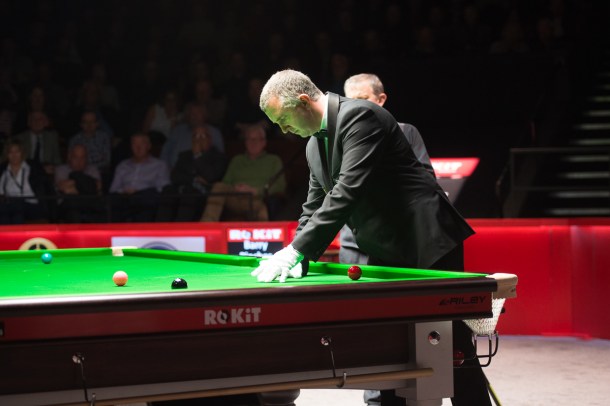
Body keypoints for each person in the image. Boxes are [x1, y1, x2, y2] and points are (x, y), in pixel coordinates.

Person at [253, 70, 489, 406]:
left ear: (303, 102)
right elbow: (312, 207)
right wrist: (300, 255)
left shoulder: (361, 116)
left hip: (426, 240)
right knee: (390, 346)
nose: (283, 130)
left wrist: (295, 250)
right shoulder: (313, 146)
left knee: (451, 345)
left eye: (283, 120)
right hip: (385, 246)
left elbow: (347, 192)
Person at [343, 73, 436, 406]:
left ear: (381, 100)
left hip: (396, 246)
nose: (356, 108)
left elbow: (425, 184)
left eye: (363, 100)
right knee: (369, 329)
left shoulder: (405, 132)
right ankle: (376, 399)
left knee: (408, 326)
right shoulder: (342, 138)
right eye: (350, 101)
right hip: (356, 246)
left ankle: (409, 395)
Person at [200, 125, 284, 222]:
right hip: (235, 197)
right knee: (219, 186)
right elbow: (225, 183)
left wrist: (255, 191)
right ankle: (207, 225)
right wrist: (236, 188)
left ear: (264, 142)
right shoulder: (237, 160)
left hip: (256, 199)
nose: (252, 143)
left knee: (261, 209)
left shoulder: (273, 161)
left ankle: (263, 231)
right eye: (249, 139)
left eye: (256, 139)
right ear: (245, 142)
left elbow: (280, 186)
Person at [157, 125, 227, 222]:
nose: (199, 140)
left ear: (210, 139)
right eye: (196, 136)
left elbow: (211, 177)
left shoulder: (219, 157)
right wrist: (194, 179)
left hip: (203, 195)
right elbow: (175, 176)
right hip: (182, 190)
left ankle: (182, 228)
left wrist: (197, 156)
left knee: (189, 193)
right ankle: (161, 227)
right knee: (167, 190)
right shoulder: (184, 155)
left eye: (202, 136)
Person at [109, 133, 170, 222]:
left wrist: (139, 192)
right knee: (113, 201)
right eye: (135, 144)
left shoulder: (160, 165)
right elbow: (113, 189)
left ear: (149, 146)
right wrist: (124, 191)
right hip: (124, 199)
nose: (138, 147)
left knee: (149, 197)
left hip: (146, 201)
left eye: (142, 144)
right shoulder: (122, 165)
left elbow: (162, 188)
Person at [0, 139, 47, 224]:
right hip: (9, 205)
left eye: (17, 152)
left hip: (31, 204)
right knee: (4, 212)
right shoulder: (3, 170)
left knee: (17, 208)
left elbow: (43, 188)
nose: (14, 155)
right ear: (7, 154)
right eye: (10, 152)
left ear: (22, 153)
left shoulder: (33, 168)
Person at [54, 144, 104, 223]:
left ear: (87, 159)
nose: (79, 161)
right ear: (69, 157)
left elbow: (98, 186)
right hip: (68, 206)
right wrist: (87, 185)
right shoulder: (61, 169)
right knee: (73, 206)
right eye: (75, 157)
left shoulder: (92, 170)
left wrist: (74, 185)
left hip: (90, 206)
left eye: (82, 157)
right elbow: (65, 188)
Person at [15, 111, 62, 176]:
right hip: (25, 173)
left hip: (46, 175)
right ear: (29, 122)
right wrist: (40, 169)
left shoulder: (52, 137)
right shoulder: (19, 139)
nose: (36, 122)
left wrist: (54, 168)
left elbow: (57, 161)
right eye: (33, 119)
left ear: (46, 122)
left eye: (40, 119)